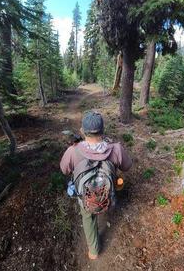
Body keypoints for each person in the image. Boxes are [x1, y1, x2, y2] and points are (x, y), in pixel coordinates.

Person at [59, 110, 132, 260]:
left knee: (87, 216)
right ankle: (107, 200)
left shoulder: (73, 151)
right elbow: (127, 166)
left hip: (86, 199)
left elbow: (64, 169)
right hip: (108, 196)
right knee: (118, 180)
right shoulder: (116, 149)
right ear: (103, 130)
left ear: (82, 131)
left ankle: (93, 251)